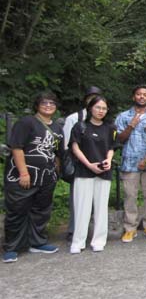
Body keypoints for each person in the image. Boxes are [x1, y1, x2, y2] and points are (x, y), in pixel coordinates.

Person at [2, 92, 64, 263]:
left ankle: (37, 242)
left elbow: (57, 153)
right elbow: (16, 147)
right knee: (17, 210)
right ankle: (12, 247)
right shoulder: (26, 122)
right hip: (22, 175)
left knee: (41, 211)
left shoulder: (58, 128)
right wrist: (23, 172)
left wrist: (56, 172)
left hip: (47, 176)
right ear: (37, 105)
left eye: (52, 103)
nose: (48, 106)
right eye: (44, 103)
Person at [115, 85, 146, 243]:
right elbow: (119, 139)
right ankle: (130, 228)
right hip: (129, 163)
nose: (142, 97)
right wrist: (131, 125)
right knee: (130, 196)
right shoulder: (123, 116)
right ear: (133, 96)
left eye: (145, 95)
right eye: (139, 94)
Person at [69, 95, 116, 253]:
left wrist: (108, 160)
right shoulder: (80, 126)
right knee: (82, 207)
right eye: (98, 107)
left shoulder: (110, 127)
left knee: (101, 208)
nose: (101, 111)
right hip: (83, 171)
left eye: (104, 108)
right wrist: (89, 165)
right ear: (90, 108)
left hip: (104, 171)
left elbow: (111, 147)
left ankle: (99, 240)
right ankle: (78, 241)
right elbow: (75, 147)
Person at [62, 85, 103, 240]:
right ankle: (74, 229)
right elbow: (67, 144)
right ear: (86, 100)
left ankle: (92, 230)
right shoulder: (74, 118)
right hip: (80, 164)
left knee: (96, 199)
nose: (94, 102)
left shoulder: (104, 120)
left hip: (99, 164)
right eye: (91, 98)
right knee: (77, 198)